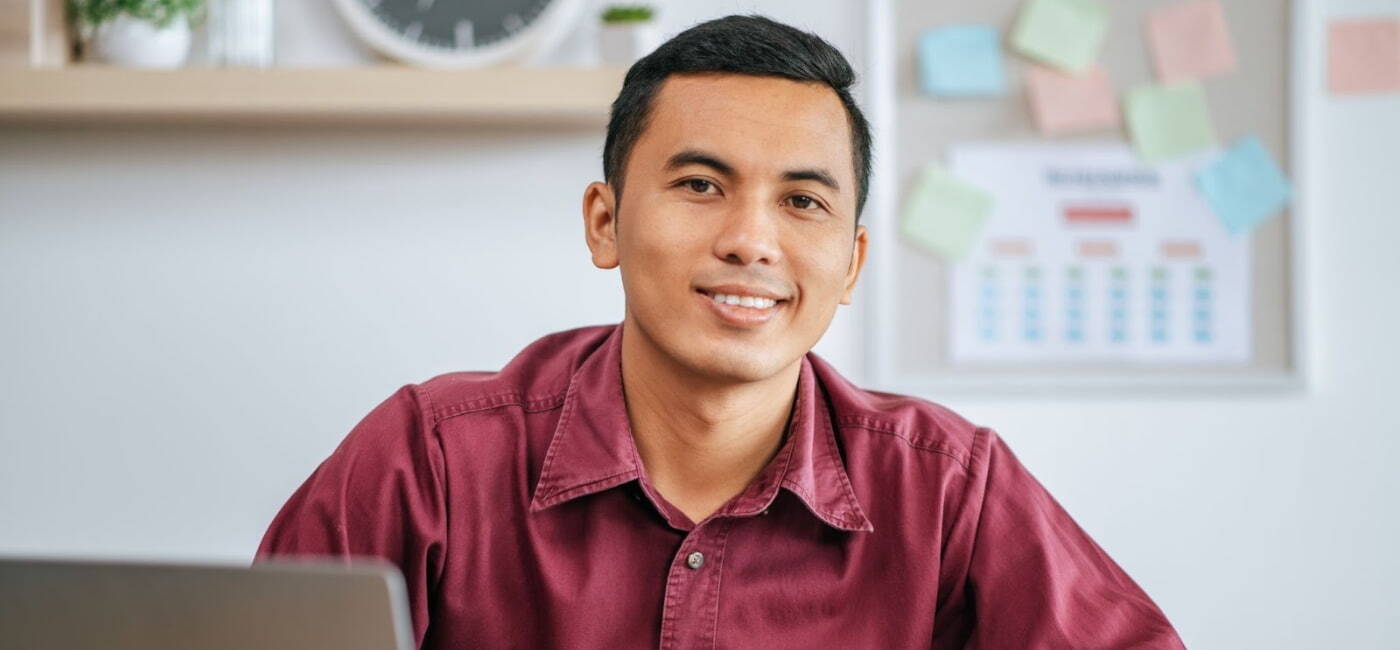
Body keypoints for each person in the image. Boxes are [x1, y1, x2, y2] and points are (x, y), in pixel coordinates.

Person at [256, 14, 1187, 649]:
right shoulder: (429, 458)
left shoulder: (949, 489)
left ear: (852, 263)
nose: (749, 241)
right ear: (604, 222)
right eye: (701, 186)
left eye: (802, 201)